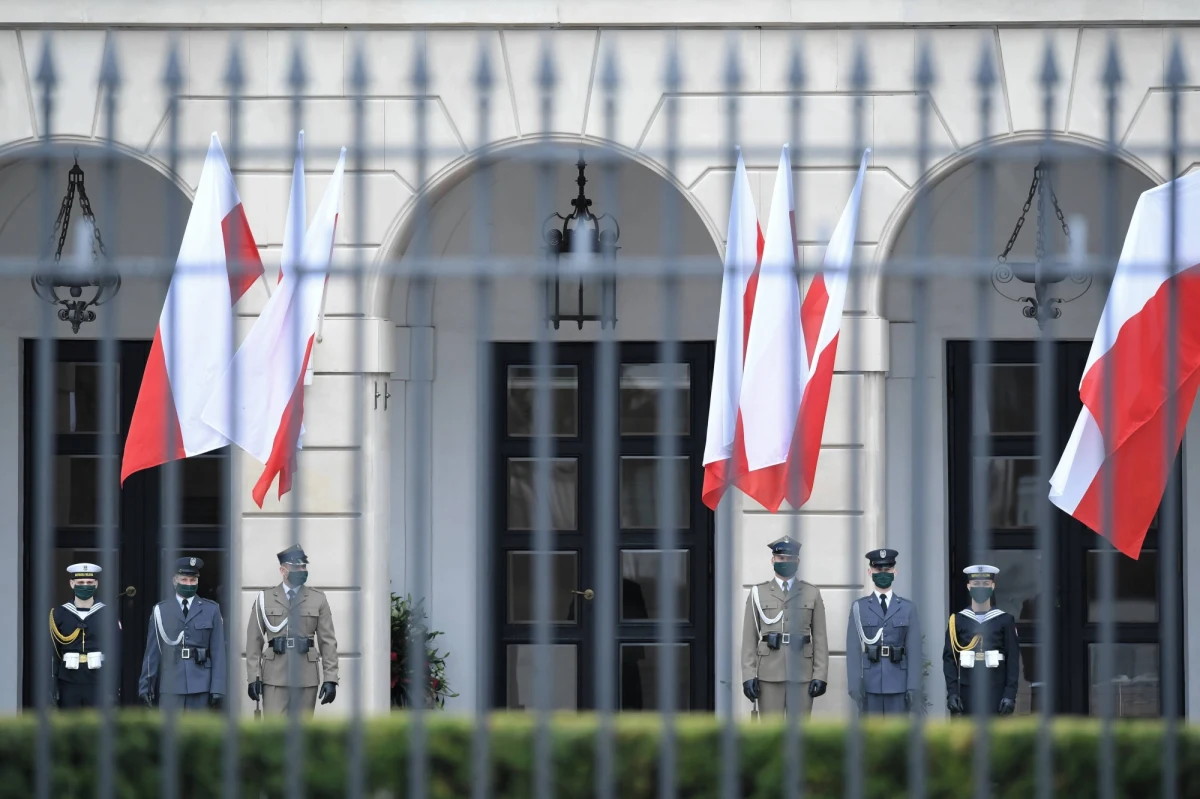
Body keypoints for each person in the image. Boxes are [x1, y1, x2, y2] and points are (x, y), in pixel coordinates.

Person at [740, 535, 829, 716]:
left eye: (790, 558)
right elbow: (749, 638)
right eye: (781, 558)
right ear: (773, 560)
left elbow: (820, 638)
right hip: (768, 674)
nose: (785, 562)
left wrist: (820, 675)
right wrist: (749, 675)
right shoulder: (758, 593)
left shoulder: (811, 593)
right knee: (771, 729)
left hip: (802, 673)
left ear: (798, 561)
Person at [245, 544, 340, 714]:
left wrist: (331, 678)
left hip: (306, 676)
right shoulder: (264, 598)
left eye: (304, 566)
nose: (302, 570)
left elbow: (328, 642)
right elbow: (254, 641)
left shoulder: (318, 599)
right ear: (283, 570)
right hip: (274, 676)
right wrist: (254, 676)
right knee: (274, 728)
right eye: (296, 567)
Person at [138, 557, 227, 711]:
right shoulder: (161, 610)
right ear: (175, 581)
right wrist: (146, 686)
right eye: (184, 579)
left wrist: (218, 688)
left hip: (201, 684)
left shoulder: (211, 609)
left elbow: (218, 652)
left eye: (193, 580)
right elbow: (152, 652)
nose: (188, 584)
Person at [846, 548, 924, 715]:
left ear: (895, 572)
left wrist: (913, 686)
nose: (883, 573)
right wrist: (854, 684)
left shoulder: (908, 608)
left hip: (899, 683)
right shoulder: (859, 607)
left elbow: (914, 650)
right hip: (869, 684)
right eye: (878, 569)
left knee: (897, 731)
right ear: (870, 572)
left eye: (887, 569)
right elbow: (853, 649)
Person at [943, 564, 1020, 716]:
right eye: (976, 584)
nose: (981, 587)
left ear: (992, 586)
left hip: (996, 691)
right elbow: (949, 659)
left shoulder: (1005, 620)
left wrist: (1010, 695)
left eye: (985, 584)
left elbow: (1013, 659)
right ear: (969, 587)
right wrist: (952, 693)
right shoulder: (957, 620)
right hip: (967, 691)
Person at [50, 563, 120, 708]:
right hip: (68, 680)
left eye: (89, 582)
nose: (85, 586)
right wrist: (52, 684)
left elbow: (115, 652)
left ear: (96, 584)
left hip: (98, 680)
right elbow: (53, 652)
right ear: (72, 584)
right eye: (80, 582)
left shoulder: (107, 614)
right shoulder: (59, 614)